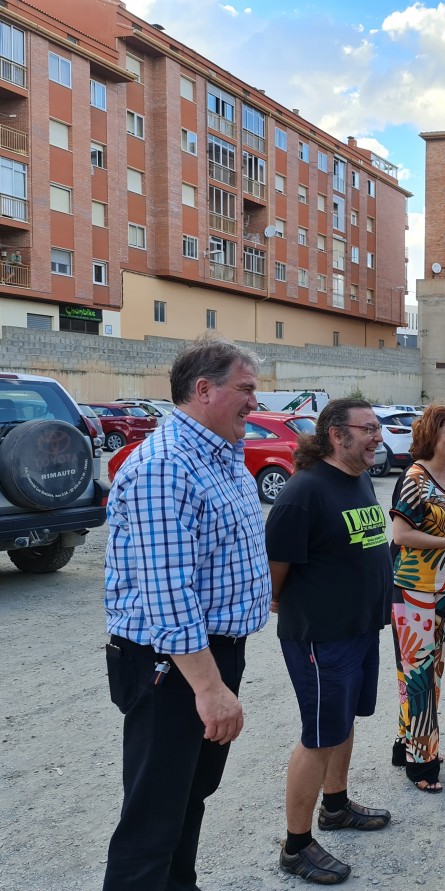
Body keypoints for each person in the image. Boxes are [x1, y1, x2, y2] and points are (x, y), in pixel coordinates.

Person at [102, 335, 272, 891]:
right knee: (154, 814)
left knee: (189, 797)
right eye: (246, 390)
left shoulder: (222, 456)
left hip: (210, 655)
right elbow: (168, 594)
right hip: (171, 664)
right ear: (204, 390)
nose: (256, 402)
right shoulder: (166, 466)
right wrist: (210, 688)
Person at [267, 399, 395, 884]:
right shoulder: (304, 492)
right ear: (337, 434)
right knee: (318, 735)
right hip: (320, 636)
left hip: (361, 627)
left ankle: (336, 807)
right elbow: (276, 567)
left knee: (342, 723)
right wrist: (282, 599)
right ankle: (296, 847)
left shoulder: (358, 478)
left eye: (378, 428)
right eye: (369, 429)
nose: (377, 437)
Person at [389, 405, 445, 793]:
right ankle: (422, 762)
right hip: (413, 590)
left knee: (427, 672)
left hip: (442, 589)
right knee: (420, 675)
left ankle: (405, 744)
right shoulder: (414, 479)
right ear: (431, 434)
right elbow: (400, 535)